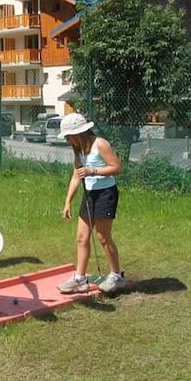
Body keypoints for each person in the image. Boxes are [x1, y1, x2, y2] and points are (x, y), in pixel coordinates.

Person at [56, 113, 125, 294]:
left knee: (103, 237)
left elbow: (117, 167)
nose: (67, 140)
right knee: (81, 237)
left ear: (79, 133)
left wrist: (92, 170)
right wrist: (67, 202)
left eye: (69, 136)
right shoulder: (78, 149)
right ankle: (80, 279)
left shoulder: (100, 144)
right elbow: (76, 175)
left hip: (105, 194)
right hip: (89, 195)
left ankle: (116, 276)